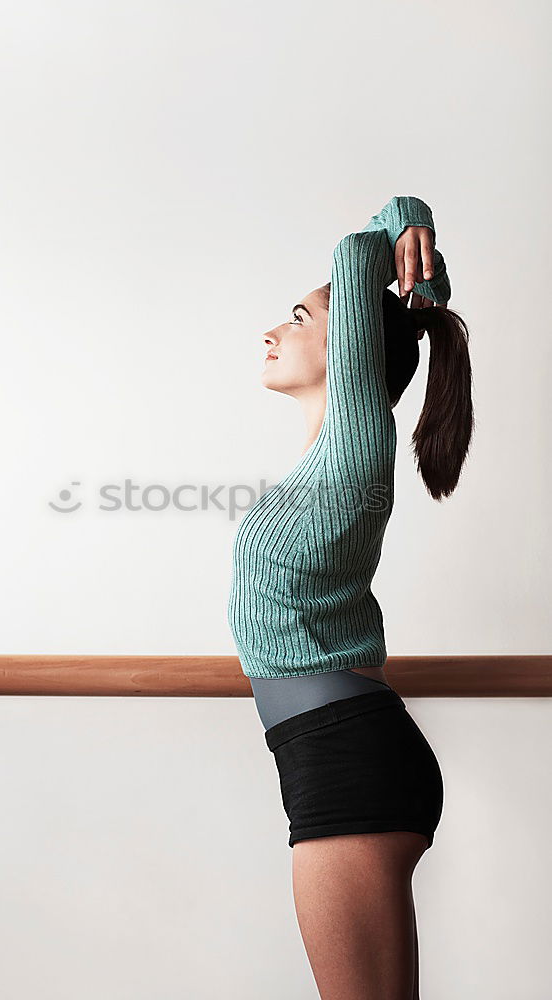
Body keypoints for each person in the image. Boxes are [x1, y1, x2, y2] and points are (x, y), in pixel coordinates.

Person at [227, 195, 474, 999]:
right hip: (333, 753)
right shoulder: (321, 464)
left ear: (354, 350)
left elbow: (352, 244)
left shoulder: (356, 441)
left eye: (299, 316)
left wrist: (405, 221)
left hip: (343, 761)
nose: (272, 329)